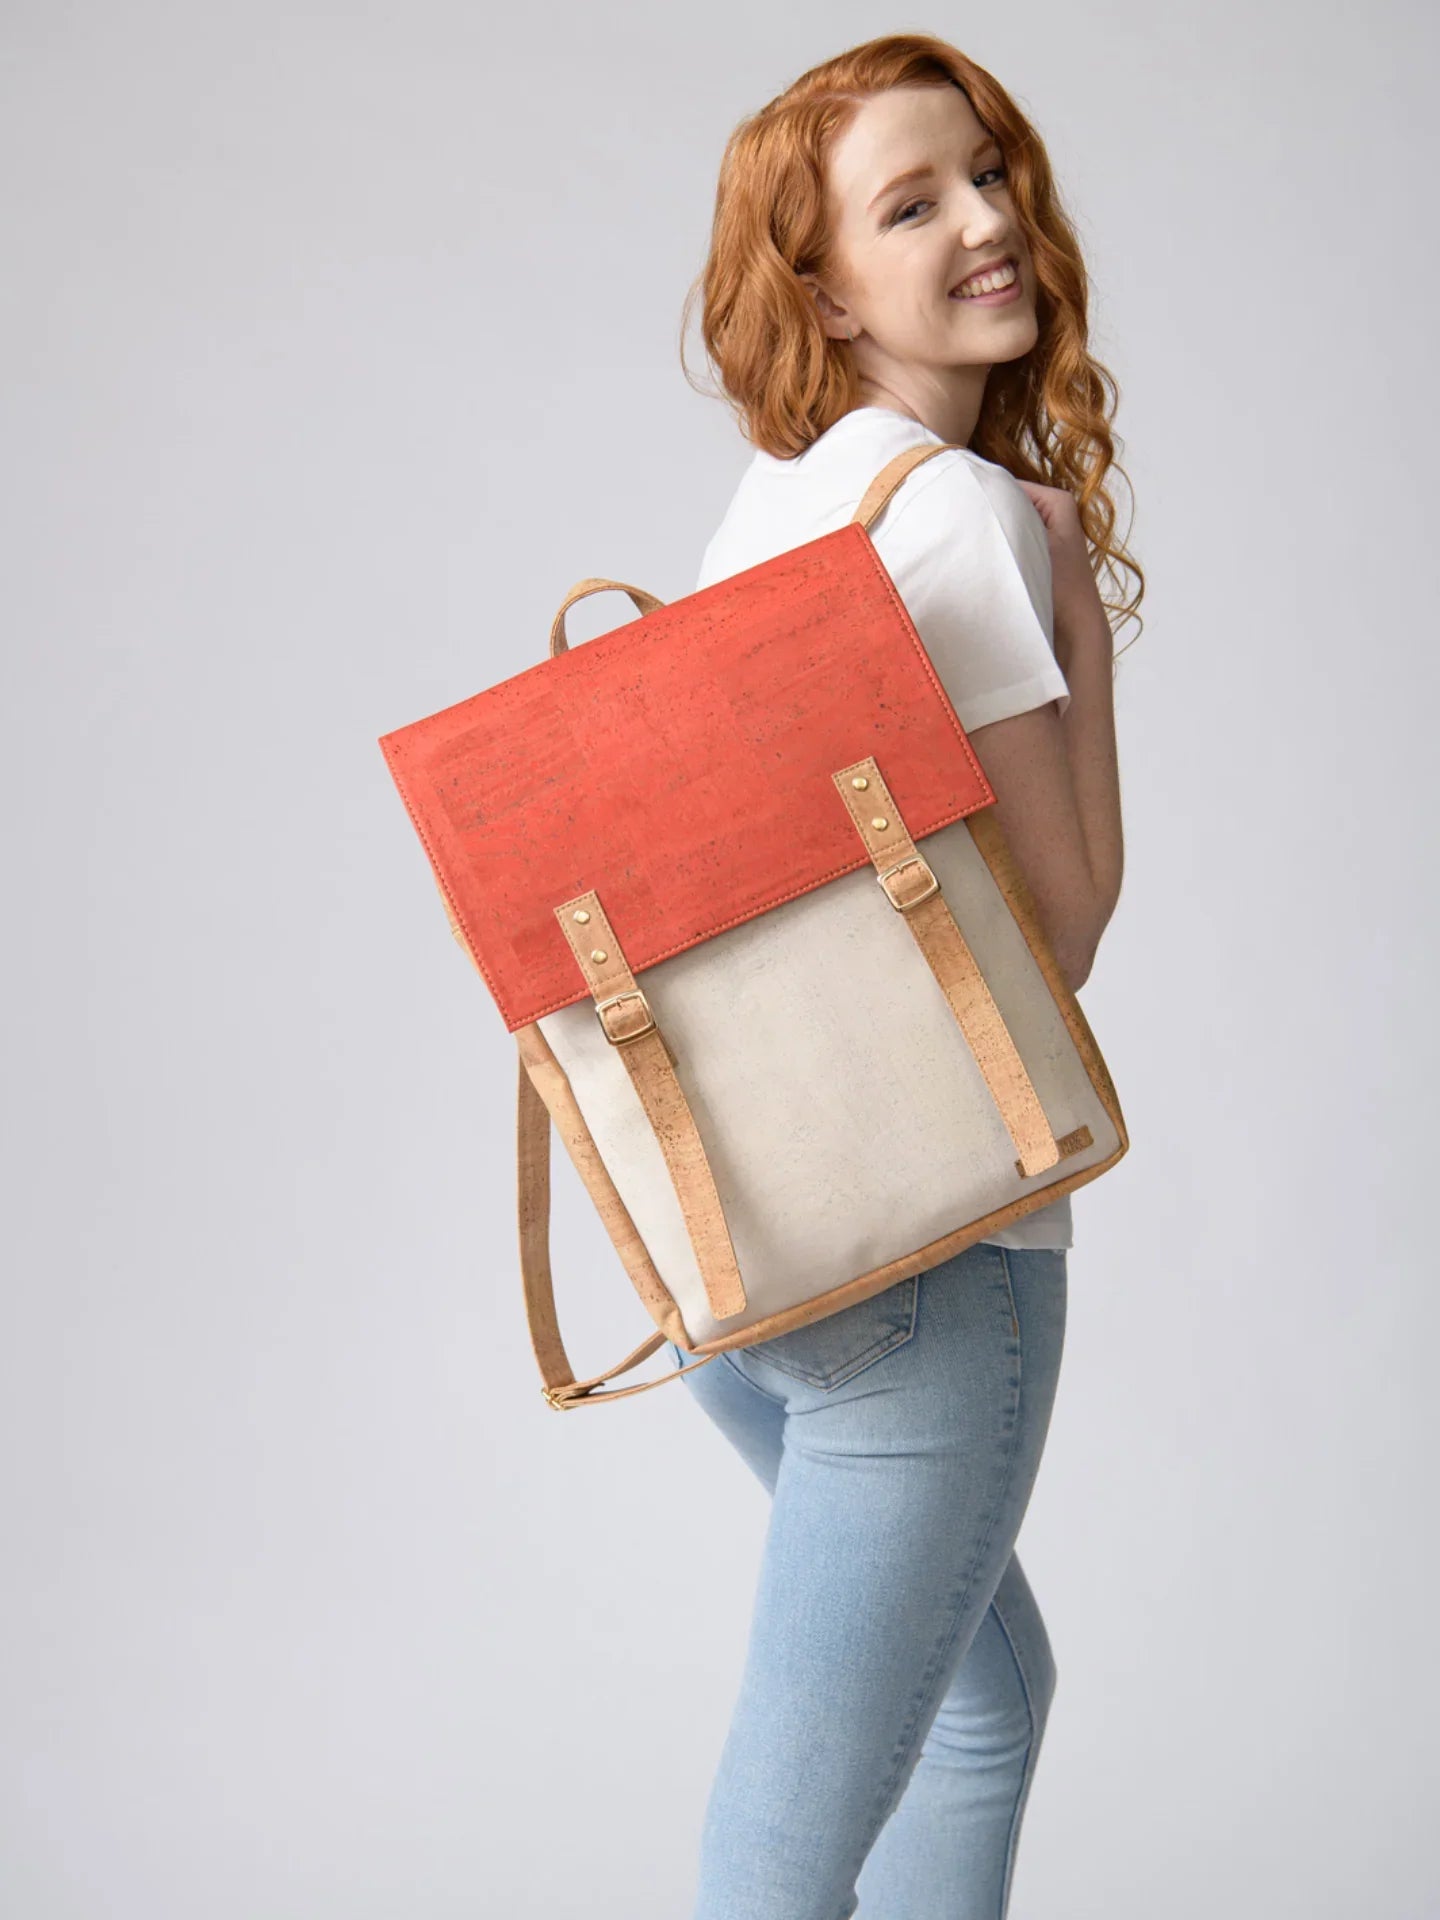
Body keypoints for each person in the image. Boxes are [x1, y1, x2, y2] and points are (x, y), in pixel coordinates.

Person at [665, 31, 1136, 1920]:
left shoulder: (774, 514)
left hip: (756, 1262)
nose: (987, 226)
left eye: (989, 175)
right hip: (937, 1274)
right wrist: (1075, 610)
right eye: (911, 203)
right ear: (825, 288)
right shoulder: (950, 516)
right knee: (777, 1863)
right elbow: (1066, 923)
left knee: (985, 1702)